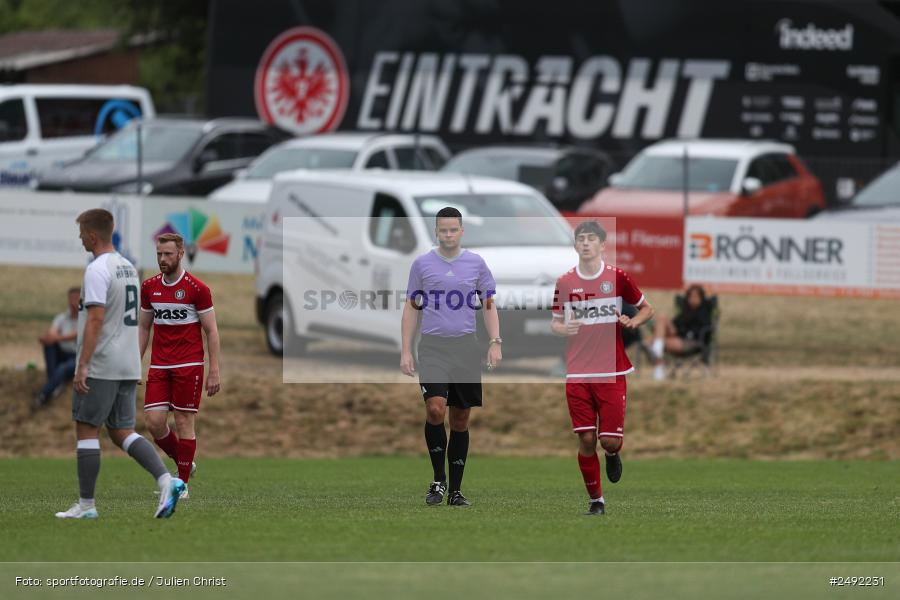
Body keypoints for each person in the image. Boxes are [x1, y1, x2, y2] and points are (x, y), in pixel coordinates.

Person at [56, 209, 184, 520]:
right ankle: (167, 480)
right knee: (121, 430)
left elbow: (96, 318)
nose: (80, 238)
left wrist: (83, 365)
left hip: (102, 363)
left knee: (87, 428)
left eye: (81, 233)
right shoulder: (128, 266)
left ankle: (86, 506)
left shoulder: (97, 269)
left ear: (92, 235)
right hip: (127, 362)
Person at [400, 207, 501, 507]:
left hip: (466, 349)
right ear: (436, 231)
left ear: (461, 231)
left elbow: (489, 303)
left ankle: (456, 490)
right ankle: (438, 480)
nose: (448, 234)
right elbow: (410, 307)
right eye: (443, 230)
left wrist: (495, 342)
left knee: (460, 417)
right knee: (435, 410)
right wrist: (406, 349)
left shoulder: (476, 264)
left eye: (453, 229)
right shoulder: (422, 265)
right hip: (433, 347)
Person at [551, 221, 653, 516]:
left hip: (611, 372)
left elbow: (648, 308)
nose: (585, 243)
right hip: (578, 372)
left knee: (608, 440)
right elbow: (555, 321)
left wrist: (634, 321)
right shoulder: (565, 282)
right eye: (580, 239)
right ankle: (597, 501)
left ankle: (612, 453)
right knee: (585, 438)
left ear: (602, 245)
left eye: (591, 238)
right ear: (575, 245)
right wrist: (563, 327)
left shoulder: (617, 277)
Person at [139, 233, 221, 498]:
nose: (163, 259)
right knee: (154, 422)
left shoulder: (198, 289)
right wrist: (133, 363)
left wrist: (214, 370)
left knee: (184, 420)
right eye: (159, 254)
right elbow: (144, 327)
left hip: (189, 364)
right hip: (160, 366)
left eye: (168, 254)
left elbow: (211, 331)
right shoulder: (149, 287)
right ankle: (185, 462)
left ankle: (182, 484)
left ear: (181, 254)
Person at [650, 284, 713, 381]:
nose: (692, 299)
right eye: (690, 296)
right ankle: (657, 348)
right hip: (678, 336)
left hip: (691, 342)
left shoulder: (704, 313)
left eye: (695, 296)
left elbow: (704, 332)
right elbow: (676, 324)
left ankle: (658, 361)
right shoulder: (686, 310)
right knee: (662, 317)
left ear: (701, 298)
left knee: (653, 341)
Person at [35, 287, 80, 407]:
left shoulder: (86, 318)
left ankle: (43, 394)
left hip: (78, 357)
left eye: (76, 299)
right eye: (70, 299)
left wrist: (56, 338)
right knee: (49, 345)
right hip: (62, 352)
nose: (72, 302)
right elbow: (53, 331)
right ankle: (54, 383)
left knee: (63, 368)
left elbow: (76, 334)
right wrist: (48, 337)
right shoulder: (62, 317)